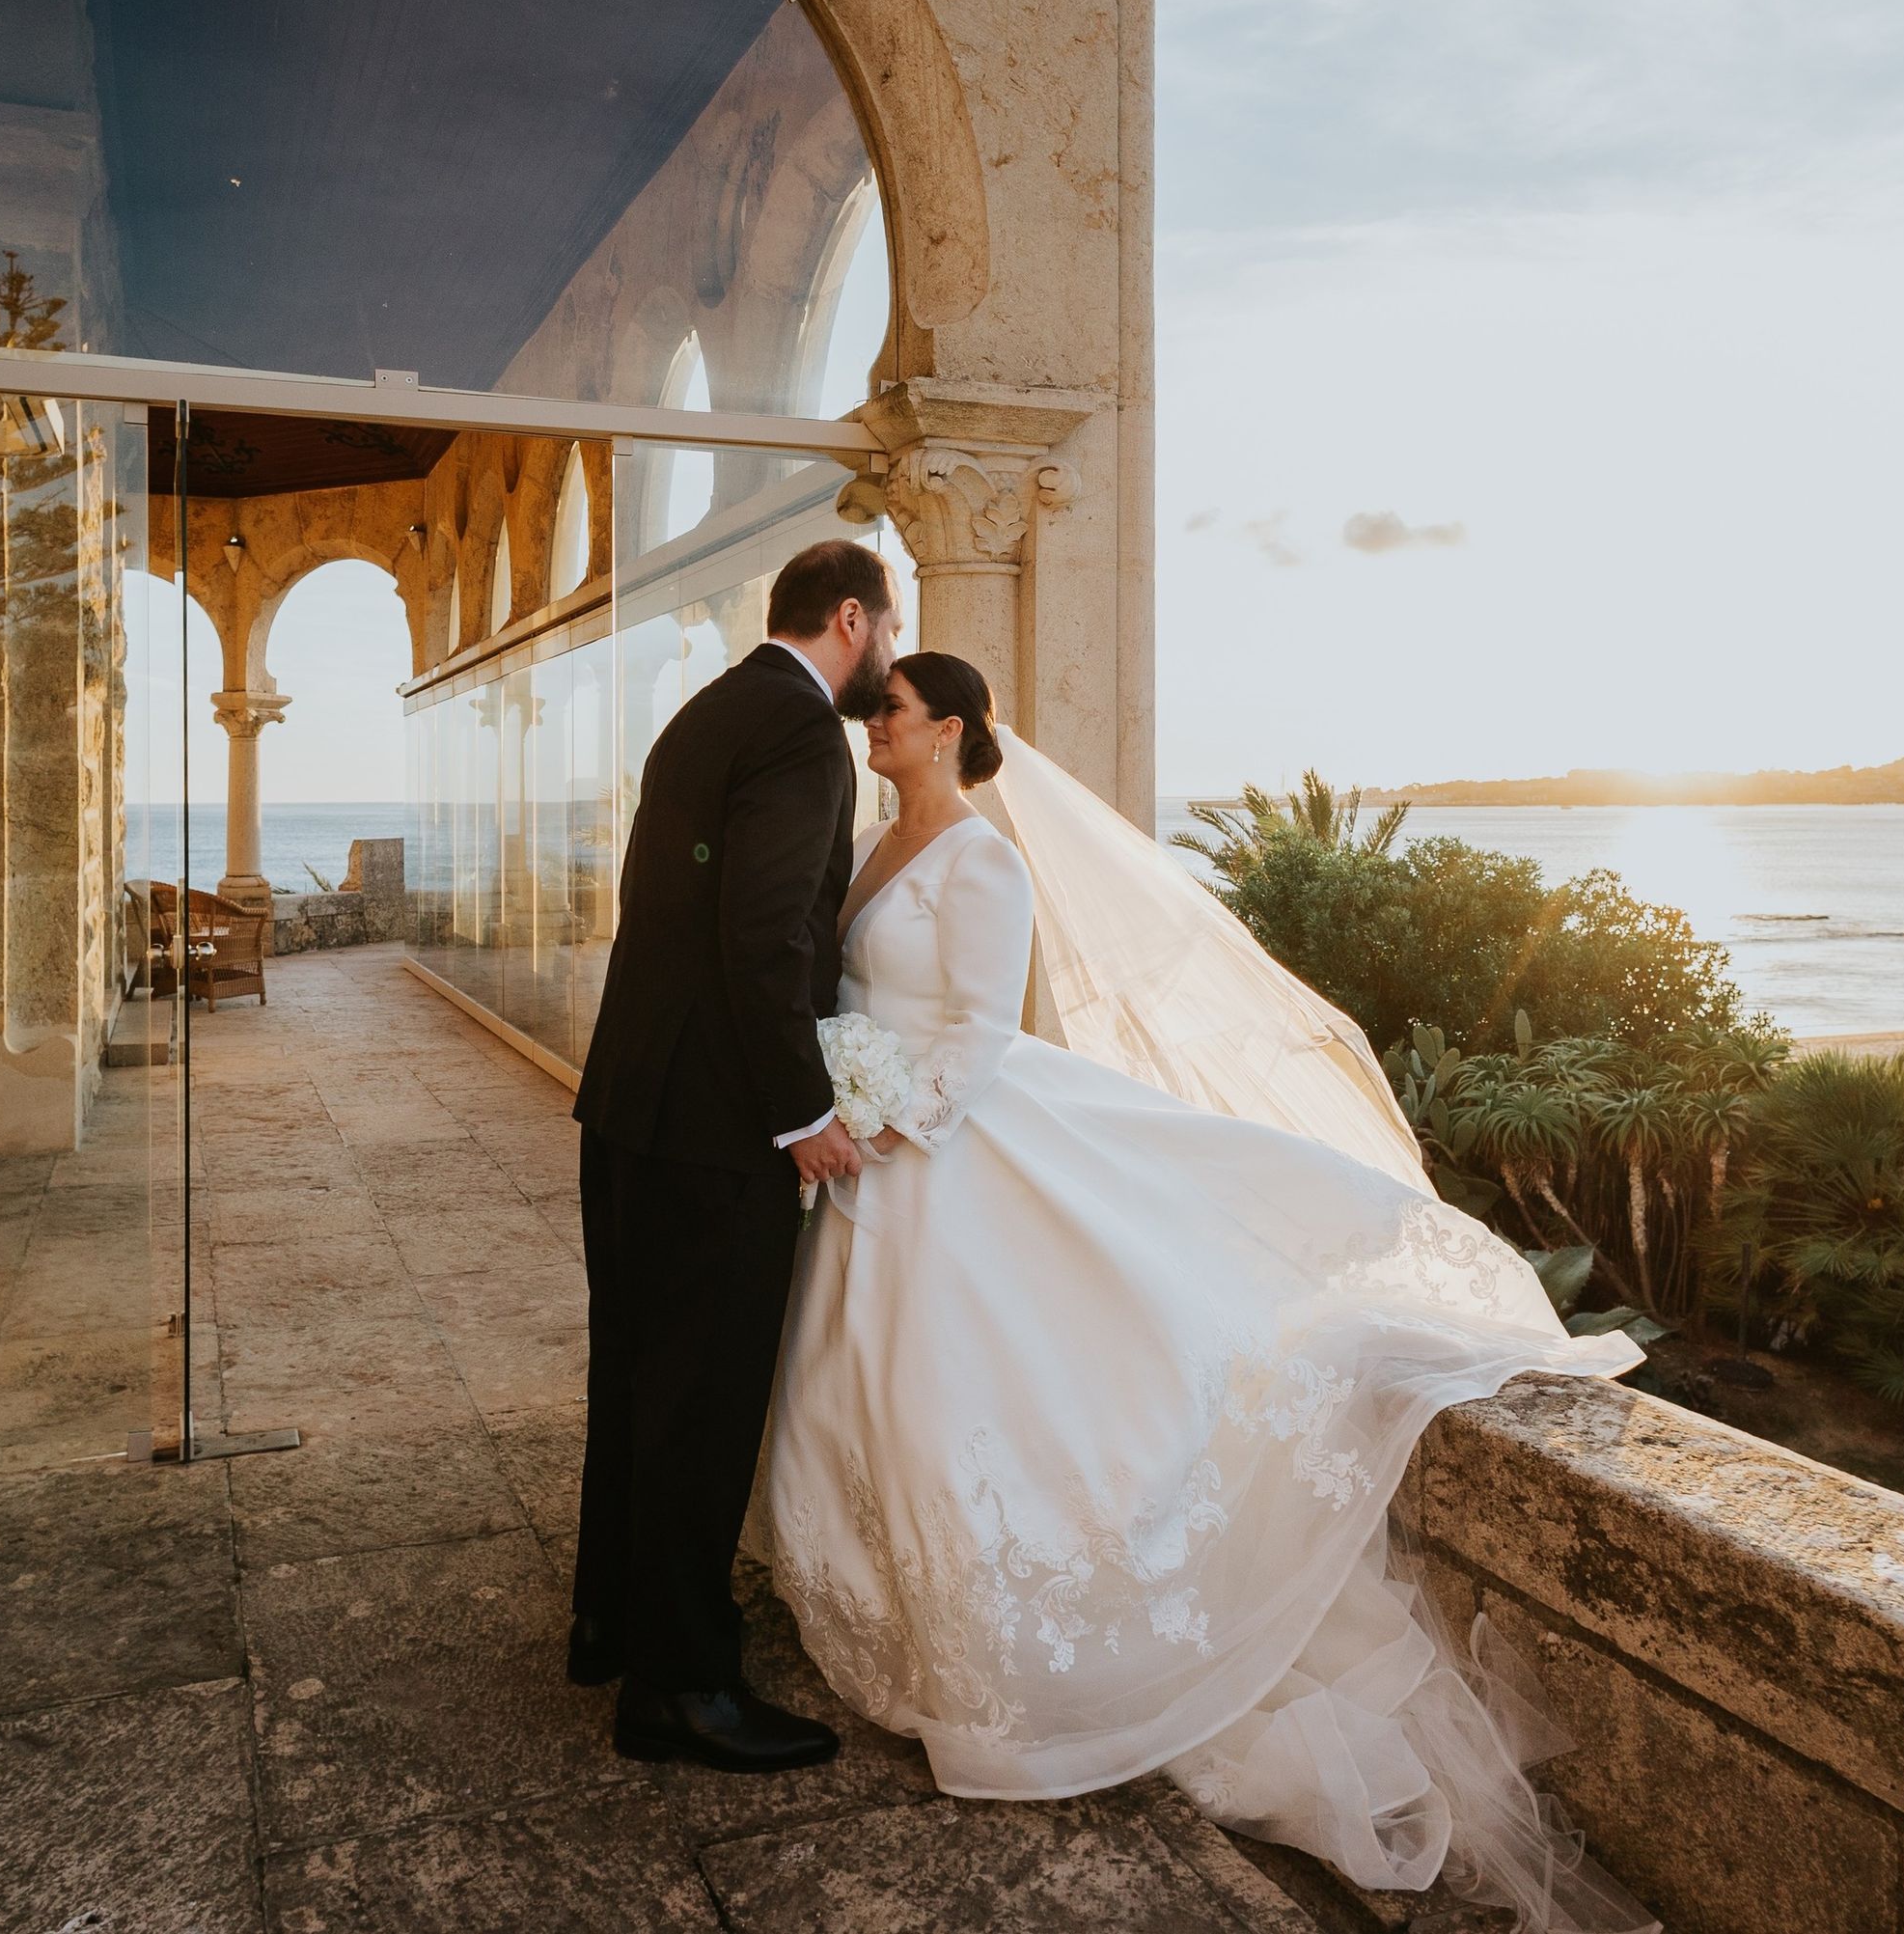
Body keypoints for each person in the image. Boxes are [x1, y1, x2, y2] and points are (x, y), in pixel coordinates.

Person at [761, 651, 1659, 1929]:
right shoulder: (874, 847)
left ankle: (1021, 1669)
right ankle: (901, 1624)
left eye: (887, 714)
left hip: (936, 1145)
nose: (870, 730)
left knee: (969, 1393)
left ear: (947, 727)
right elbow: (854, 992)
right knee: (875, 1393)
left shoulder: (983, 858)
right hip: (874, 1166)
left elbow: (970, 1031)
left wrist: (878, 1114)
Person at [567, 537, 897, 1773]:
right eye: (892, 633)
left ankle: (611, 1621)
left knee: (637, 1381)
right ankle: (683, 1687)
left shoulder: (707, 712)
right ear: (852, 619)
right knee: (702, 1407)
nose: (892, 659)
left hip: (632, 1109)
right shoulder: (804, 731)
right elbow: (761, 932)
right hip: (715, 1131)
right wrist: (801, 1111)